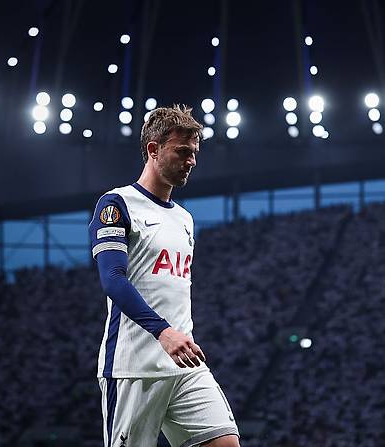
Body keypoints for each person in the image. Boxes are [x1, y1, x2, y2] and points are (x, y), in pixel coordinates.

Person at [88, 105, 240, 447]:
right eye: (182, 151)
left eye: (194, 153)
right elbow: (113, 279)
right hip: (134, 368)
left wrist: (174, 335)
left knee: (226, 443)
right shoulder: (117, 204)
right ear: (153, 149)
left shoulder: (184, 219)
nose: (191, 161)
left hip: (185, 364)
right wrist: (163, 331)